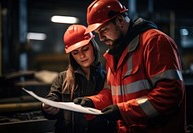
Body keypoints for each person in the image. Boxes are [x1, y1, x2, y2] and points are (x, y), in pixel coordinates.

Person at [74, 0, 186, 133]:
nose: (101, 38)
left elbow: (170, 94)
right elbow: (111, 93)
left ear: (120, 20)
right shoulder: (114, 53)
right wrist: (93, 102)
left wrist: (123, 111)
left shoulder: (154, 42)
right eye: (98, 33)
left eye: (103, 30)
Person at [41, 24, 116, 133]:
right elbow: (52, 99)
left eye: (85, 49)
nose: (81, 56)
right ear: (71, 55)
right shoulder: (63, 78)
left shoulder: (106, 78)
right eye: (75, 52)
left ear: (93, 47)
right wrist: (47, 107)